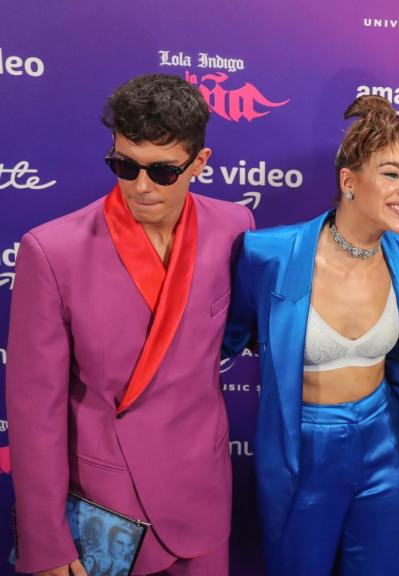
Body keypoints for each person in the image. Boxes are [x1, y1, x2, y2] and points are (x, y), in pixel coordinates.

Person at [6, 74, 253, 576]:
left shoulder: (235, 227)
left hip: (202, 497)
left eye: (162, 172)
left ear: (198, 164)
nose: (140, 187)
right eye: (124, 166)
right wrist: (46, 540)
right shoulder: (52, 251)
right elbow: (36, 411)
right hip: (108, 509)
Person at [221, 95, 399, 576]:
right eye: (392, 174)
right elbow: (233, 335)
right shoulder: (268, 254)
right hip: (302, 446)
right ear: (348, 182)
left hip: (385, 440)